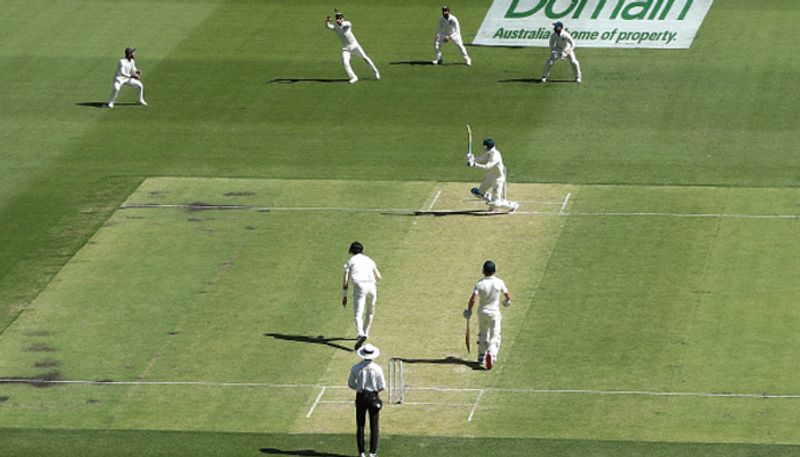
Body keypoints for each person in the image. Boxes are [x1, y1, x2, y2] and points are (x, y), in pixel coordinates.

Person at [463, 261, 511, 370]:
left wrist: (469, 310)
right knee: (495, 335)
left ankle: (481, 355)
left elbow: (473, 299)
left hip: (482, 312)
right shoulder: (499, 282)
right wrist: (506, 302)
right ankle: (492, 354)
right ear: (494, 271)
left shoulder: (480, 283)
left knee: (483, 333)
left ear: (484, 271)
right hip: (494, 313)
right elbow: (507, 296)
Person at [348, 343, 386, 457]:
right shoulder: (377, 369)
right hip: (373, 396)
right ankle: (372, 453)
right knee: (374, 426)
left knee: (360, 425)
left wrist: (359, 388)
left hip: (360, 396)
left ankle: (361, 453)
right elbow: (382, 386)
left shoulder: (356, 367)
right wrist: (375, 391)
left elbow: (350, 384)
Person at [342, 241, 382, 349]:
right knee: (370, 311)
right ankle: (366, 333)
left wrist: (344, 296)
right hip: (372, 286)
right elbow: (378, 276)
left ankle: (360, 334)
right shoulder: (369, 260)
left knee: (358, 313)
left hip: (359, 286)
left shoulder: (350, 261)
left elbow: (345, 281)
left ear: (351, 250)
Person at [325, 11, 380, 84]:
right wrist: (327, 21)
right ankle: (353, 77)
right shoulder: (335, 27)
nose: (340, 19)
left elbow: (344, 24)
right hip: (346, 49)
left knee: (365, 58)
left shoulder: (347, 23)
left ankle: (375, 71)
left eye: (341, 18)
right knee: (345, 62)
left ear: (343, 18)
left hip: (355, 46)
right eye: (338, 18)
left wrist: (340, 22)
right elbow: (328, 26)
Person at [466, 138, 519, 212]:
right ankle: (490, 199)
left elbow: (487, 167)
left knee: (497, 203)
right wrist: (471, 158)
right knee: (479, 193)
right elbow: (481, 158)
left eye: (484, 147)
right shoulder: (489, 153)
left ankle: (513, 205)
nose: (484, 148)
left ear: (487, 147)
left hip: (498, 179)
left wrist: (474, 164)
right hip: (490, 176)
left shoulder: (495, 155)